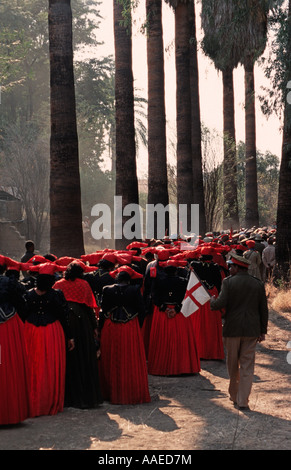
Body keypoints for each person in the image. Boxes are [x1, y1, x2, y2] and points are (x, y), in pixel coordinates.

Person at [210, 253, 269, 411]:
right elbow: (263, 309)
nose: (229, 269)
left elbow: (220, 304)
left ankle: (234, 395)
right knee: (247, 367)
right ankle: (243, 401)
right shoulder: (257, 284)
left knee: (232, 364)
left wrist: (212, 301)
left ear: (237, 268)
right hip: (252, 330)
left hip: (232, 329)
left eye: (231, 266)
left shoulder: (228, 282)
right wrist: (263, 330)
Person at [20, 263, 74, 417]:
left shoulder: (28, 294)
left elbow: (23, 314)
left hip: (30, 331)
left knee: (32, 366)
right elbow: (64, 317)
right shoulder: (57, 295)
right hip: (52, 332)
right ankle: (48, 401)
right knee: (50, 366)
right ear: (51, 280)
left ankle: (32, 401)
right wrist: (69, 336)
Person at [53, 261, 103, 409]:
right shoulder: (84, 285)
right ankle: (86, 397)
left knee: (68, 358)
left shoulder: (58, 284)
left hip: (63, 323)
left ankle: (67, 396)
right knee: (84, 357)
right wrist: (94, 326)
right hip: (82, 324)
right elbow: (89, 308)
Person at [98, 267, 151, 405]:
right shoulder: (134, 290)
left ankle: (110, 391)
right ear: (128, 280)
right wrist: (137, 325)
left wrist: (100, 329)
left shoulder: (107, 289)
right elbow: (141, 309)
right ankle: (130, 390)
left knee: (112, 356)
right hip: (129, 326)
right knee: (130, 356)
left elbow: (103, 310)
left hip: (111, 326)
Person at [147, 259, 200, 376]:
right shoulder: (183, 281)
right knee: (181, 339)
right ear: (176, 271)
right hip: (179, 313)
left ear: (165, 271)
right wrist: (176, 309)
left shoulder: (158, 281)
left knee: (162, 339)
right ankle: (182, 367)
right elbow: (187, 297)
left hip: (162, 313)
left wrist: (164, 308)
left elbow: (154, 297)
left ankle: (162, 366)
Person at [0, 255, 31, 425]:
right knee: (8, 363)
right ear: (4, 269)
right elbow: (21, 303)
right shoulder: (9, 283)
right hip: (8, 326)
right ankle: (10, 411)